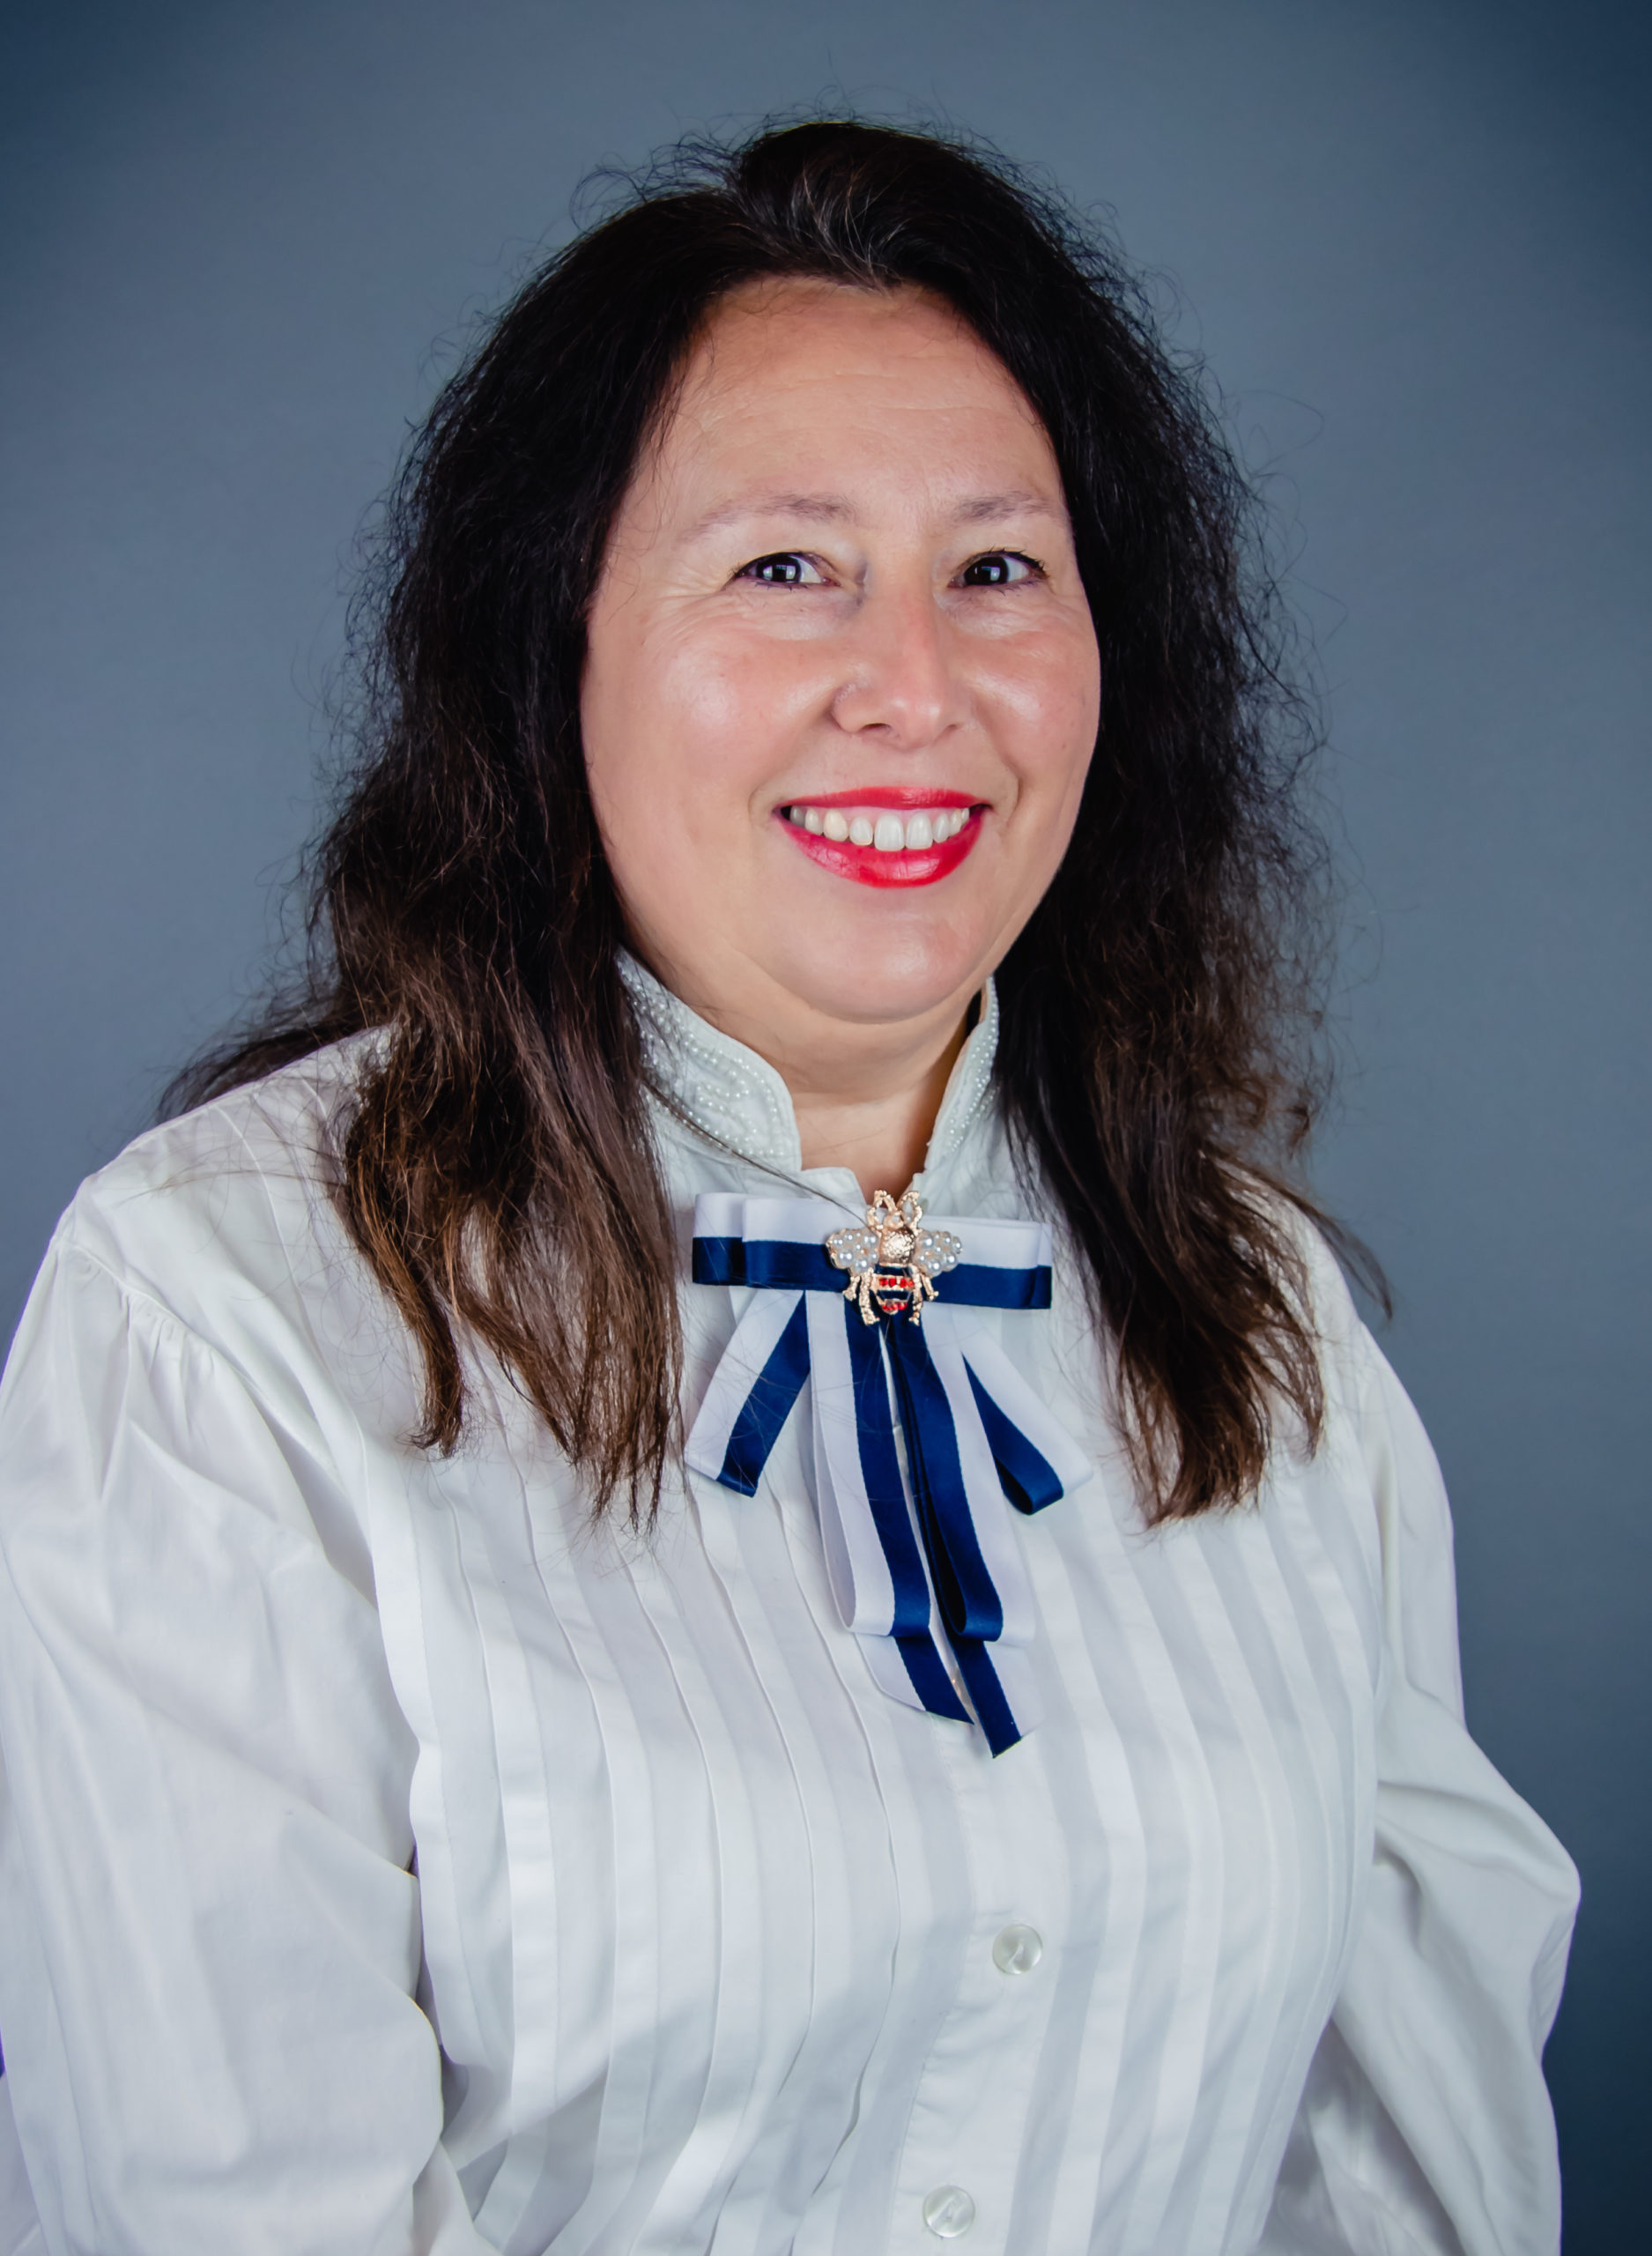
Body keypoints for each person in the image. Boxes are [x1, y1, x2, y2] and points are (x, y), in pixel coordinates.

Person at [0, 121, 1577, 2256]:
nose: (913, 688)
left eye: (996, 569)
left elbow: (1398, 2172)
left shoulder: (1256, 1317)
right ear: (551, 642)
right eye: (781, 568)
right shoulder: (224, 1315)